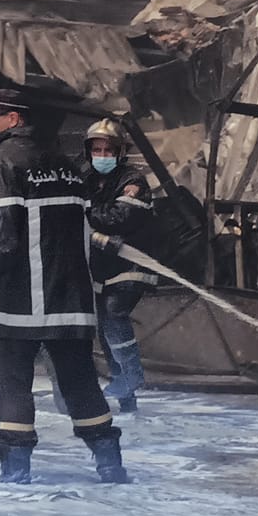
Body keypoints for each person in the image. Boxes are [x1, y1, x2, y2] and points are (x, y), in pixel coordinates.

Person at [0, 87, 128, 485]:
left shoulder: (3, 161)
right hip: (72, 300)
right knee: (80, 380)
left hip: (21, 299)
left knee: (12, 380)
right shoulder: (66, 165)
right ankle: (110, 463)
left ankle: (15, 469)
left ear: (14, 119)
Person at [81, 117, 161, 414]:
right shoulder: (87, 178)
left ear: (120, 152)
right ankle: (126, 396)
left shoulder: (133, 181)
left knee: (115, 313)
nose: (102, 156)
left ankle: (132, 374)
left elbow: (118, 218)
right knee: (105, 326)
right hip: (103, 267)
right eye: (97, 150)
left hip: (131, 263)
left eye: (108, 151)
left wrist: (83, 211)